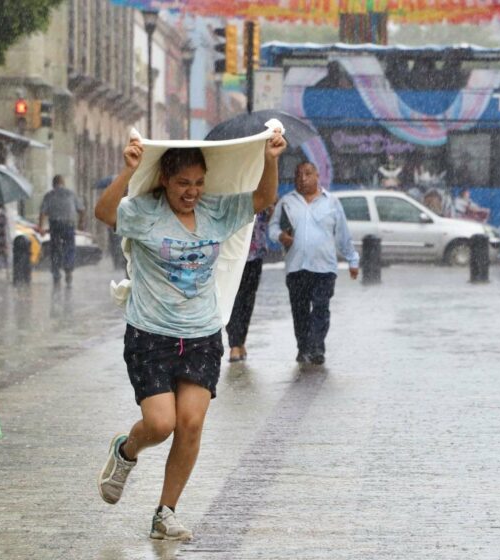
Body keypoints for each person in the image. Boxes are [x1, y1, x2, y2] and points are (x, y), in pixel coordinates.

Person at [93, 130, 286, 540]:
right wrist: (127, 170)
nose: (192, 191)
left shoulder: (216, 211)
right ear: (165, 179)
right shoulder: (144, 212)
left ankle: (166, 512)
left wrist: (270, 158)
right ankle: (126, 451)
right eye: (184, 183)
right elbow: (104, 213)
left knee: (191, 424)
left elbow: (262, 198)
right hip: (151, 334)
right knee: (161, 424)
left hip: (201, 335)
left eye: (198, 183)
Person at [268, 161, 359, 365]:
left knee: (320, 308)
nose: (303, 178)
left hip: (324, 268)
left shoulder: (332, 203)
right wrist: (281, 236)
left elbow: (343, 235)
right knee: (299, 311)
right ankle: (303, 348)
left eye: (308, 173)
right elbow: (272, 229)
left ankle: (317, 348)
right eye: (298, 174)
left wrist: (353, 259)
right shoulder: (286, 202)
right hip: (296, 268)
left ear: (318, 176)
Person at [225, 206, 273, 362]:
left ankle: (240, 340)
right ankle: (234, 344)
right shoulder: (232, 199)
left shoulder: (263, 200)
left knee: (247, 301)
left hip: (255, 256)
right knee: (233, 300)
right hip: (233, 257)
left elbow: (269, 221)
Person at [38, 174, 85, 286]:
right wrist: (81, 223)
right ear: (63, 183)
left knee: (55, 249)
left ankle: (56, 274)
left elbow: (43, 213)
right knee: (69, 247)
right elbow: (81, 210)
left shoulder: (49, 195)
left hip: (55, 225)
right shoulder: (71, 194)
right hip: (69, 224)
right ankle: (68, 269)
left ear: (53, 184)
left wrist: (41, 227)